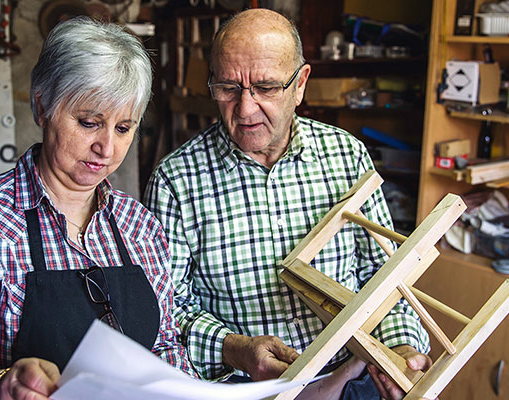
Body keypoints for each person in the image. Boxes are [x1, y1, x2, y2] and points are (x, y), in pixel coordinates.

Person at [0, 17, 195, 400]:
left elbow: (165, 349)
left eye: (123, 128)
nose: (106, 147)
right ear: (42, 106)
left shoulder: (140, 227)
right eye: (89, 122)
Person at [144, 8, 431, 400]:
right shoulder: (176, 181)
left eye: (265, 87)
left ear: (300, 84)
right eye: (228, 87)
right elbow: (166, 311)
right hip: (244, 388)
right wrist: (236, 349)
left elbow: (384, 277)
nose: (245, 109)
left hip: (350, 379)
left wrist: (399, 349)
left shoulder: (347, 156)